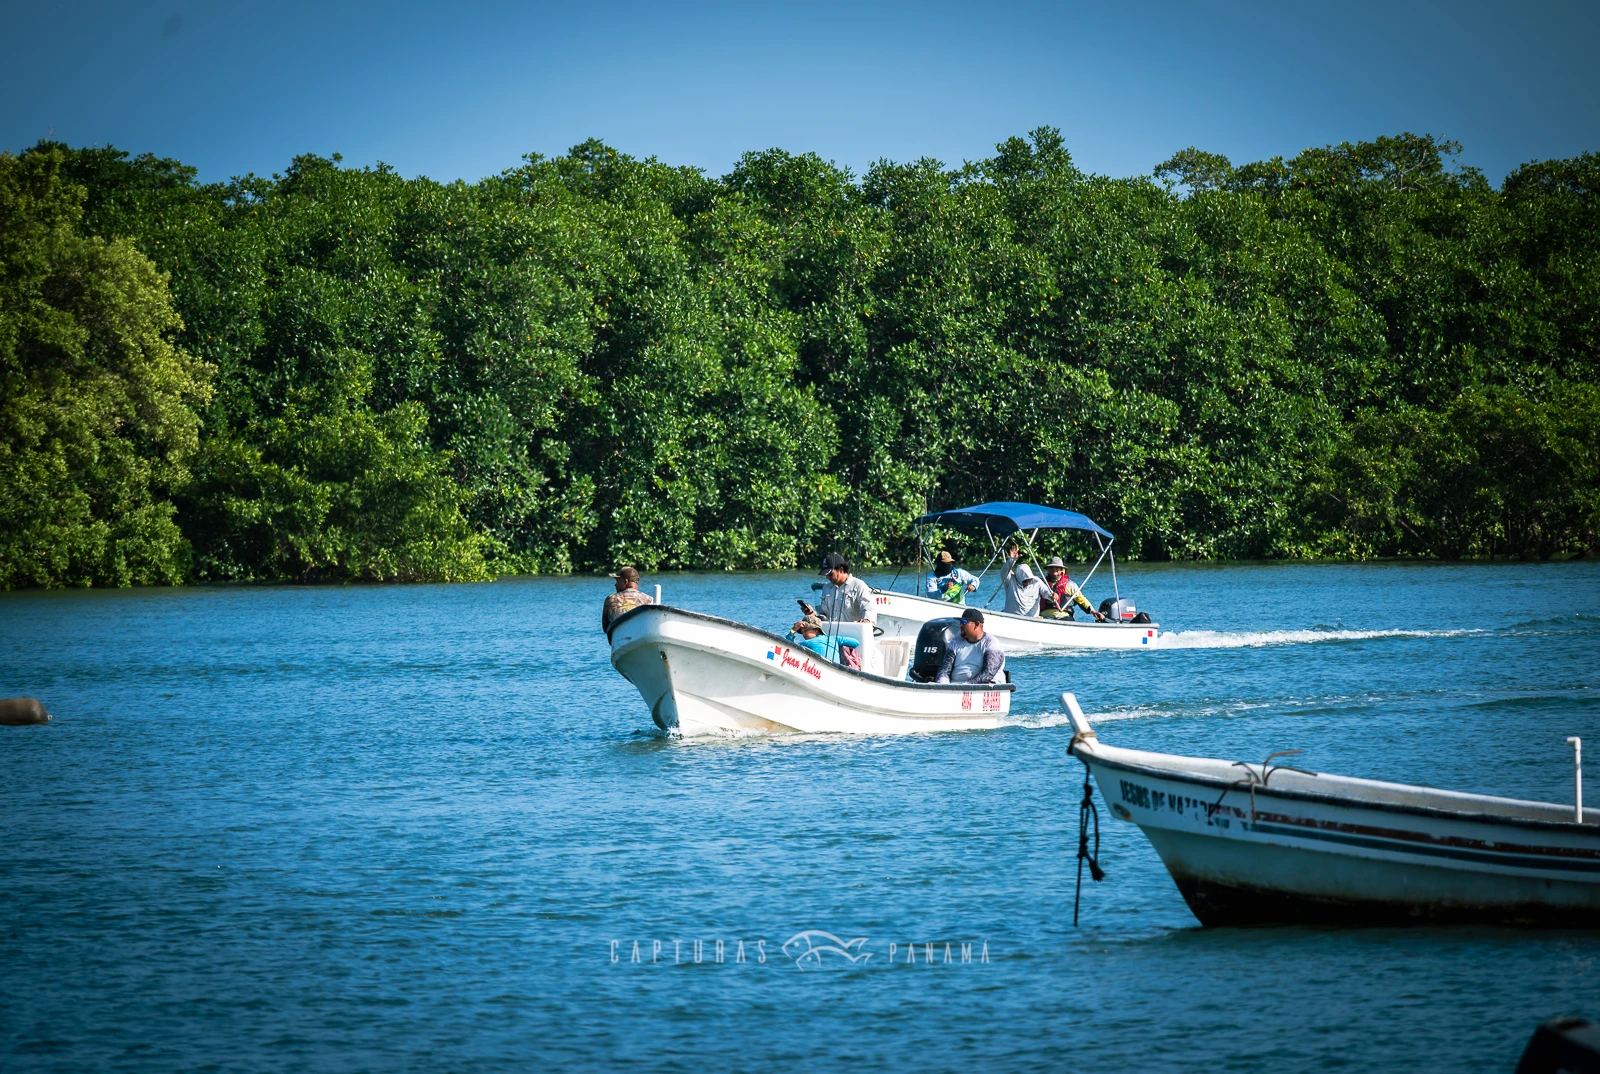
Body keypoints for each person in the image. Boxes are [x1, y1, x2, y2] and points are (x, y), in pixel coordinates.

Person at [935, 608, 1006, 684]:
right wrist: (942, 684)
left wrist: (966, 685)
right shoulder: (955, 641)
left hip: (983, 687)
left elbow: (988, 674)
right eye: (960, 622)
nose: (961, 625)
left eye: (964, 622)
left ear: (977, 624)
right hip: (956, 687)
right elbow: (944, 669)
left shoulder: (991, 642)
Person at [1041, 556, 1106, 621]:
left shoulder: (1070, 585)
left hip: (1064, 617)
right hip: (1043, 617)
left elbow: (1081, 600)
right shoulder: (1041, 583)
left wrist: (1093, 611)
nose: (1054, 569)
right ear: (1048, 569)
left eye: (1057, 568)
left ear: (1061, 570)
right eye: (1051, 567)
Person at [816, 553, 875, 624]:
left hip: (853, 632)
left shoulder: (859, 586)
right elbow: (824, 615)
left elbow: (868, 608)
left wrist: (866, 620)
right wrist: (813, 615)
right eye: (826, 575)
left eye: (830, 574)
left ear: (841, 570)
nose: (827, 577)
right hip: (831, 633)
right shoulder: (826, 588)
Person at [788, 614, 861, 667]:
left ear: (816, 630)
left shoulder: (805, 643)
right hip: (837, 670)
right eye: (802, 632)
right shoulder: (834, 638)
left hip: (819, 670)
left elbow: (788, 648)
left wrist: (792, 631)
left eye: (805, 631)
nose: (804, 634)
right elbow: (855, 643)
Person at [1001, 547, 1049, 618]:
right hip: (1011, 618)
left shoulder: (1037, 581)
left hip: (1032, 619)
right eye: (1025, 581)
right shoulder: (1010, 581)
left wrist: (1051, 596)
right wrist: (1011, 560)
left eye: (1029, 580)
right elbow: (1003, 571)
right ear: (1019, 578)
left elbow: (1045, 592)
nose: (1028, 583)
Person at [601, 566, 654, 631]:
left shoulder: (611, 599)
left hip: (619, 635)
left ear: (626, 581)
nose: (615, 585)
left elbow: (605, 628)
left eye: (617, 581)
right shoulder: (650, 599)